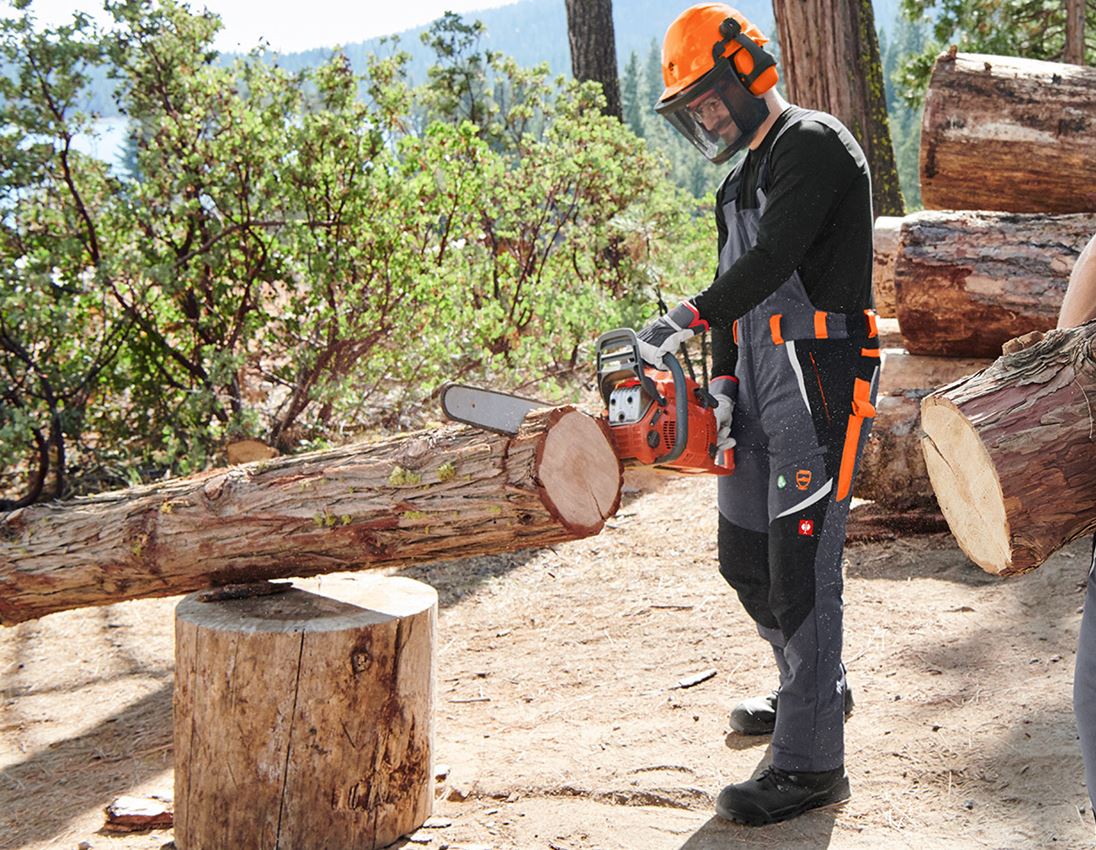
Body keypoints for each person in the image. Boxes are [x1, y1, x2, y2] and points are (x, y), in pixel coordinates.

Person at [635, 2, 879, 826]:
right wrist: (723, 387)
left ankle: (811, 764)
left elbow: (773, 261)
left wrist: (683, 316)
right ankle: (814, 689)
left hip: (817, 378)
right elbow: (737, 296)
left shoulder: (812, 144)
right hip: (759, 384)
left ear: (747, 74)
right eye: (693, 109)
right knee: (744, 559)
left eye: (709, 98)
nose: (706, 117)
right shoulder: (737, 180)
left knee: (801, 570)